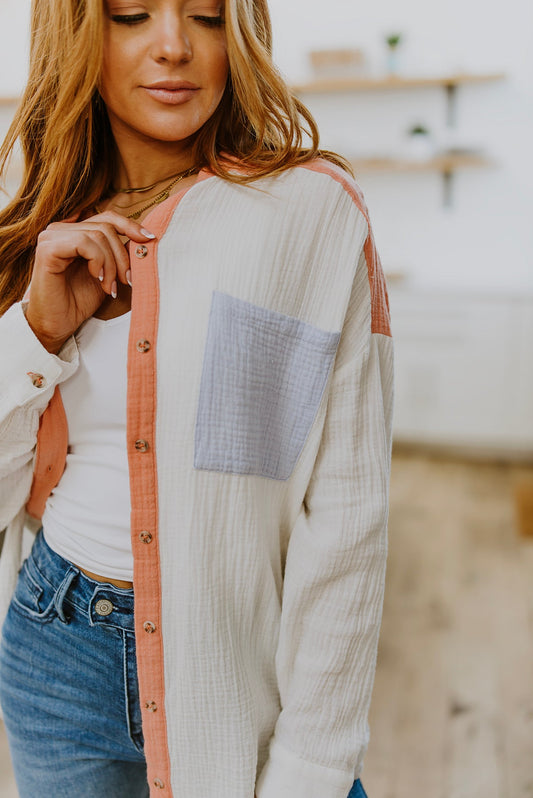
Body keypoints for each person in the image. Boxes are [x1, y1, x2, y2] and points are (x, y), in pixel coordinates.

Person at [0, 0, 394, 796]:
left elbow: (347, 517)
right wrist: (36, 332)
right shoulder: (41, 227)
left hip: (230, 664)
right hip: (55, 654)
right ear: (78, 35)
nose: (174, 46)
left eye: (207, 17)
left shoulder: (309, 213)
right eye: (132, 14)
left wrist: (313, 769)